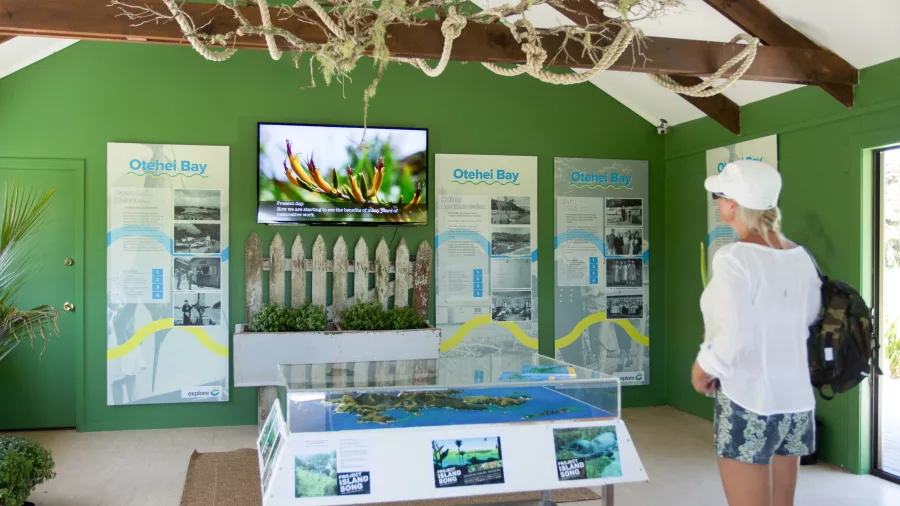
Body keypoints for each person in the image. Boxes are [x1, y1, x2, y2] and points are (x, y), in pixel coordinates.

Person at [691, 160, 821, 506]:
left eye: (719, 196)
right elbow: (808, 317)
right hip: (795, 402)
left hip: (749, 398)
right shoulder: (800, 256)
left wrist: (705, 367)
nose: (718, 203)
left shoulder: (733, 258)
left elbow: (733, 332)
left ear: (732, 205)